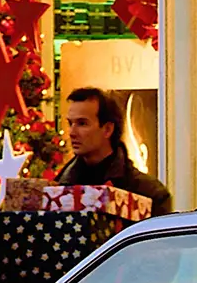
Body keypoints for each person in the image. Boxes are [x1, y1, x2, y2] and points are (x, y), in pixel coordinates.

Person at [59, 86, 173, 216]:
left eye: (82, 123)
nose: (72, 133)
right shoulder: (60, 188)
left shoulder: (148, 193)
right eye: (70, 123)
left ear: (107, 129)